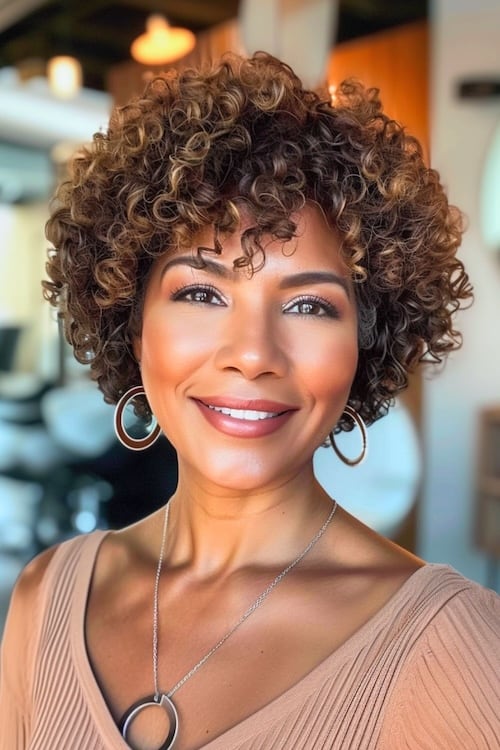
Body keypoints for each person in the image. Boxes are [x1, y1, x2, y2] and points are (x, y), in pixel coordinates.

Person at [0, 51, 498, 750]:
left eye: (309, 306)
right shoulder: (46, 598)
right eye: (201, 293)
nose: (253, 353)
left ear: (365, 345)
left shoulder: (459, 650)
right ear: (131, 322)